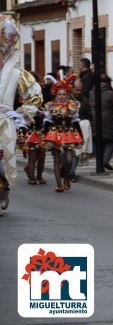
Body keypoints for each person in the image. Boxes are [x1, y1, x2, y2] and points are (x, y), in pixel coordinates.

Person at [0, 15, 42, 212]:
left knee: (2, 160)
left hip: (4, 122)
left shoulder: (17, 74)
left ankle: (2, 188)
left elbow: (35, 95)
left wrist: (22, 114)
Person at [41, 75, 84, 192]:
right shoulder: (52, 106)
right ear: (56, 94)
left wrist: (81, 136)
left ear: (67, 94)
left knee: (69, 159)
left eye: (64, 94)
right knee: (57, 159)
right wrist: (44, 134)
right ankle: (58, 184)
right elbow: (47, 120)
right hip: (55, 133)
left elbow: (75, 121)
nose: (61, 97)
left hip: (69, 133)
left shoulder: (72, 106)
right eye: (59, 94)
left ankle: (66, 178)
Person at [24, 72, 51, 185]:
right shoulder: (24, 94)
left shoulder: (43, 92)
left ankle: (39, 176)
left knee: (42, 155)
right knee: (33, 155)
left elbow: (48, 104)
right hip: (31, 129)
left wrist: (44, 111)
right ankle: (31, 177)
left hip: (42, 128)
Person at [89, 74, 113, 171]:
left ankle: (99, 162)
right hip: (107, 119)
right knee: (109, 141)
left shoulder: (91, 92)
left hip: (94, 119)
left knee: (97, 141)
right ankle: (105, 159)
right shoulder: (110, 93)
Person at [70, 79, 92, 176]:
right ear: (72, 89)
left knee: (75, 153)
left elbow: (89, 115)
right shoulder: (66, 98)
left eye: (80, 90)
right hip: (66, 129)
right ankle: (66, 170)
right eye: (76, 89)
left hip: (78, 129)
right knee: (65, 154)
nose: (78, 92)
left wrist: (84, 122)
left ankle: (72, 172)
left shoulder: (85, 101)